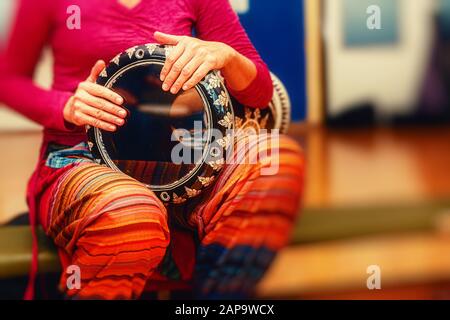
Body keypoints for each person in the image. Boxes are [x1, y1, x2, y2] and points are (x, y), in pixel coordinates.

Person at [0, 0, 304, 299]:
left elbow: (260, 92)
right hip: (81, 157)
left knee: (275, 159)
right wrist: (64, 105)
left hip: (182, 158)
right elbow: (7, 80)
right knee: (131, 212)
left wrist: (225, 56)